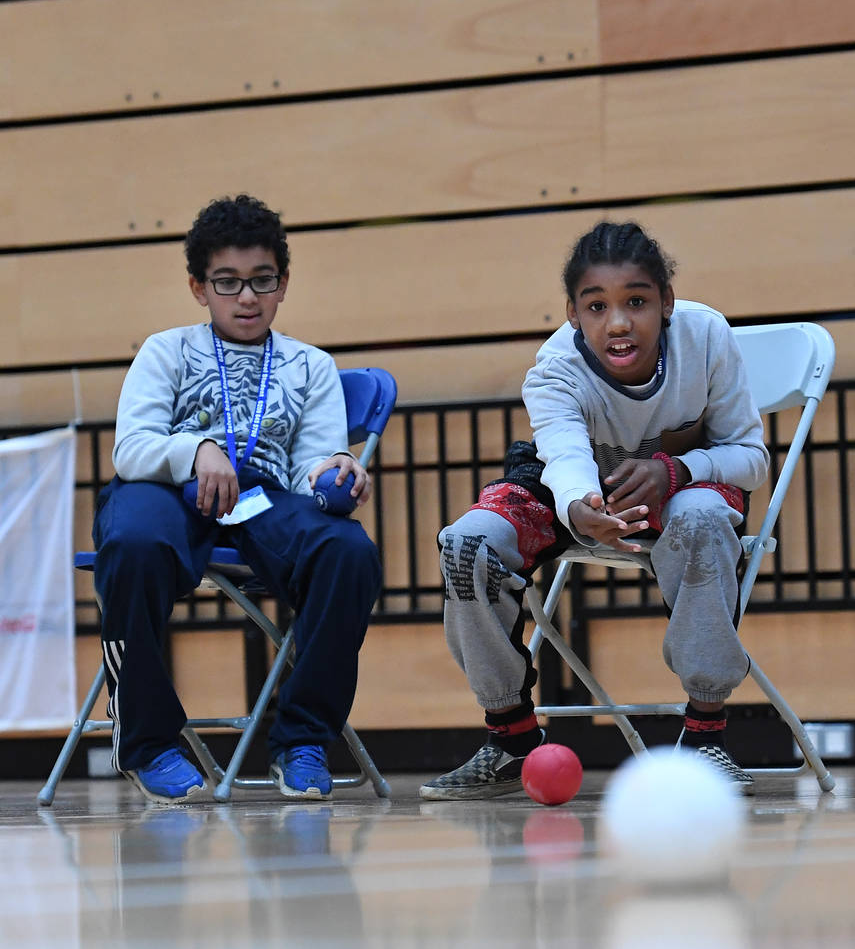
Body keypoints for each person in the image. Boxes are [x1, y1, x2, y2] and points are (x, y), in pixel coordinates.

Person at [421, 220, 768, 800]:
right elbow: (562, 458)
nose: (619, 322)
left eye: (637, 301)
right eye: (597, 306)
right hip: (573, 491)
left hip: (682, 494)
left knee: (704, 517)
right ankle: (510, 739)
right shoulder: (554, 369)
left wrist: (677, 470)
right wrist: (580, 506)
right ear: (573, 314)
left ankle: (705, 735)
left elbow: (752, 458)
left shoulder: (706, 336)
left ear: (667, 304)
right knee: (467, 543)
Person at [94, 194, 382, 803]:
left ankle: (302, 738)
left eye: (262, 281)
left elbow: (312, 466)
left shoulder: (312, 366)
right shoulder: (164, 350)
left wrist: (338, 469)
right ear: (199, 287)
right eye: (228, 282)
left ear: (283, 285)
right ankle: (148, 741)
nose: (247, 297)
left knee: (348, 551)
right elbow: (132, 449)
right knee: (131, 542)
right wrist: (195, 450)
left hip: (266, 501)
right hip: (165, 492)